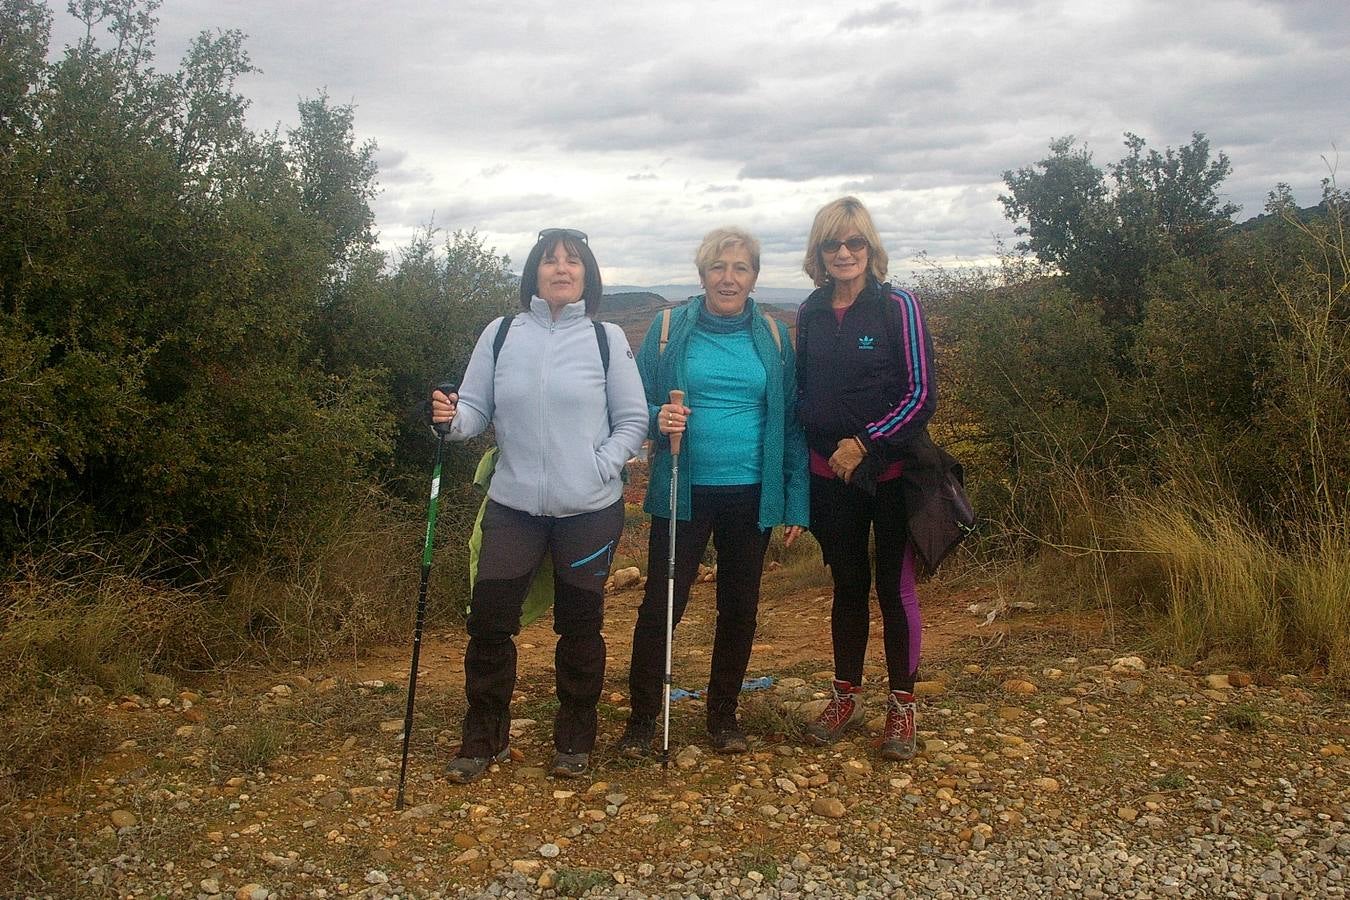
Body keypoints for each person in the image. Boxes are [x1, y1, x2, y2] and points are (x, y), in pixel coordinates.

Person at [430, 228, 647, 782]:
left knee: (580, 626)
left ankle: (575, 738)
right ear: (534, 273)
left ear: (586, 274)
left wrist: (601, 464)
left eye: (572, 261)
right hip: (513, 503)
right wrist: (451, 423)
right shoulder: (501, 334)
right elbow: (476, 409)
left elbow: (633, 420)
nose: (560, 268)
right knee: (489, 623)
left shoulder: (606, 338)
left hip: (589, 508)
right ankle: (484, 738)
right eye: (549, 260)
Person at [618, 226, 809, 757]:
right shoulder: (666, 329)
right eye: (718, 268)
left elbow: (790, 422)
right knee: (662, 605)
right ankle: (642, 720)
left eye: (740, 268)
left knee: (740, 607)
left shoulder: (773, 339)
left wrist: (794, 498)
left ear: (753, 277)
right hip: (681, 487)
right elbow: (632, 406)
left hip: (752, 490)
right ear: (702, 275)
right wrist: (660, 417)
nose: (729, 278)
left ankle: (723, 717)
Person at [794, 197, 937, 761]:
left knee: (894, 590)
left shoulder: (898, 306)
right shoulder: (808, 312)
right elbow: (803, 392)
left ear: (870, 249)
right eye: (833, 244)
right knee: (847, 587)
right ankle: (845, 693)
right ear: (819, 253)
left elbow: (921, 392)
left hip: (892, 473)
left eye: (855, 243)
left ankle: (902, 705)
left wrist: (866, 443)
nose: (845, 253)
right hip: (829, 476)